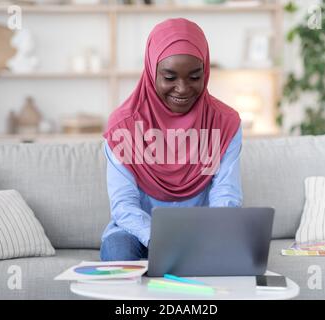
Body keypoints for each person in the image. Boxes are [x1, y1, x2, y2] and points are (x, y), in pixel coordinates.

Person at [100, 18, 242, 261]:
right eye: (169, 77)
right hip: (134, 232)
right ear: (151, 70)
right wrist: (161, 240)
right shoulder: (122, 126)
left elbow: (226, 197)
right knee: (118, 253)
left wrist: (212, 238)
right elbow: (124, 206)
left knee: (235, 260)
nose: (183, 88)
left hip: (200, 235)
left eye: (195, 77)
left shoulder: (224, 122)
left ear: (205, 72)